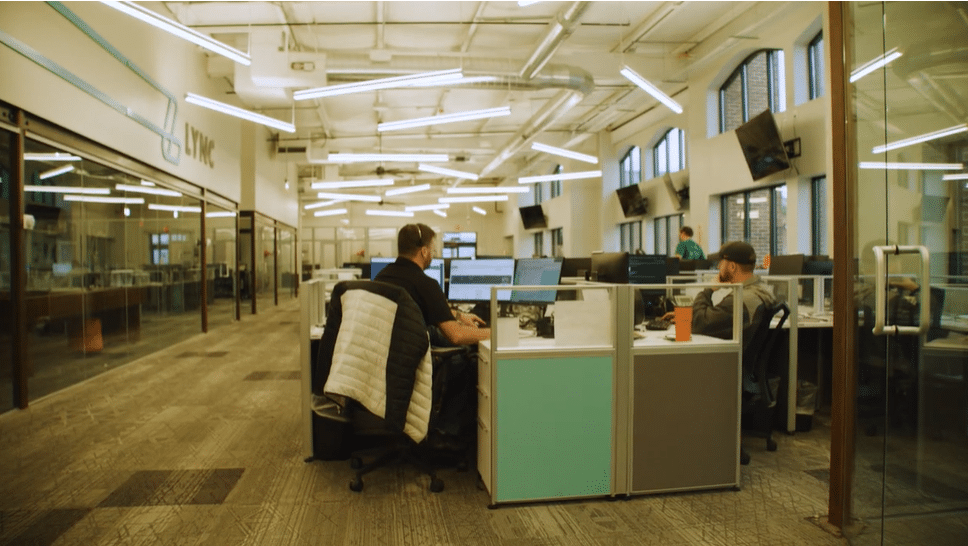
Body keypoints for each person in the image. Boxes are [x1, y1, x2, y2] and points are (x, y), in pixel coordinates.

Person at [374, 223, 490, 345]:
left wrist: (459, 316)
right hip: (413, 357)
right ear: (424, 251)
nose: (433, 255)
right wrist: (496, 333)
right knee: (470, 351)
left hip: (384, 352)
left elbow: (428, 309)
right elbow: (457, 335)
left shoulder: (382, 276)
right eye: (432, 249)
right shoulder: (426, 284)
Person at [665, 241, 776, 343]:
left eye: (721, 262)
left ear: (732, 266)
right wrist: (687, 316)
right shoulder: (760, 289)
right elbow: (718, 318)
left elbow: (700, 325)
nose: (718, 266)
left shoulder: (739, 300)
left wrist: (709, 289)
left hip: (729, 360)